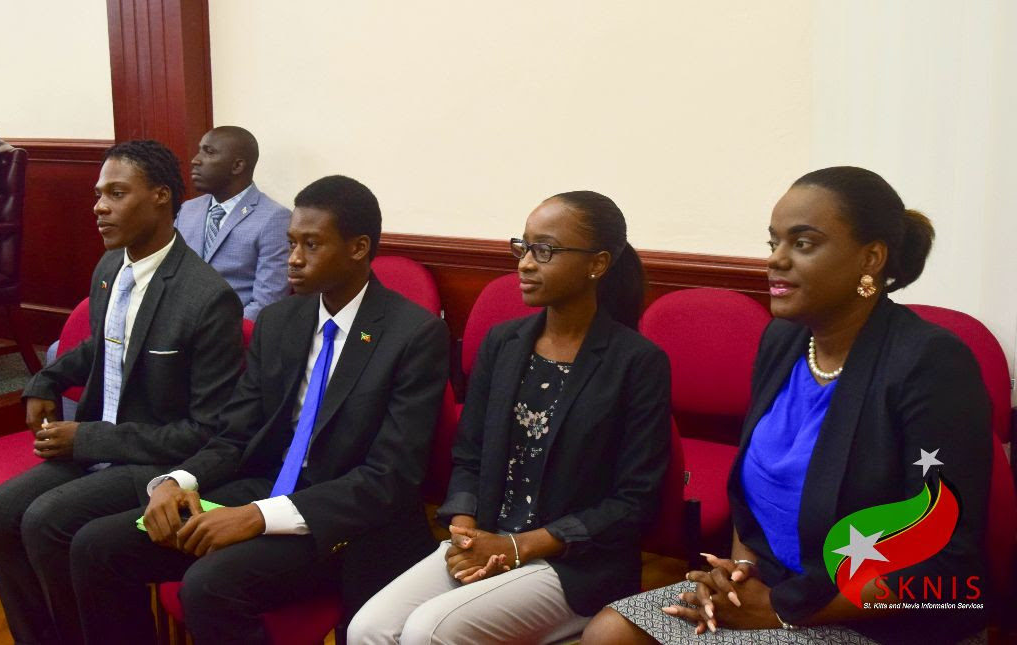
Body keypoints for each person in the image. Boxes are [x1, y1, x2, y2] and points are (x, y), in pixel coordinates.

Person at [583, 167, 992, 645]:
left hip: (878, 615)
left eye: (803, 243)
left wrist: (783, 611)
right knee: (611, 632)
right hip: (776, 586)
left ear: (871, 258)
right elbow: (754, 492)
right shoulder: (784, 339)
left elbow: (945, 559)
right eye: (774, 242)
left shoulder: (929, 363)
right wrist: (738, 574)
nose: (776, 259)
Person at [71, 175, 451, 645]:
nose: (294, 258)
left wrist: (256, 517)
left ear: (358, 248)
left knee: (210, 586)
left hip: (346, 519)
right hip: (267, 486)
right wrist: (177, 481)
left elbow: (389, 478)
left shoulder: (413, 335)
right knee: (96, 546)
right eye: (291, 243)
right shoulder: (280, 320)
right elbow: (236, 432)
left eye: (311, 244)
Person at [347, 191, 672, 644]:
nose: (525, 264)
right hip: (489, 539)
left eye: (545, 251)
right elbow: (469, 454)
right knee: (367, 628)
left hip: (574, 564)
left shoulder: (637, 362)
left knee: (427, 630)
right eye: (524, 247)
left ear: (597, 264)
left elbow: (633, 502)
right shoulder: (503, 343)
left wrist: (518, 546)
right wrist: (465, 533)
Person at [0, 140, 244, 645]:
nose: (99, 207)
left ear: (160, 196)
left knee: (46, 520)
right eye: (98, 194)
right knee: (0, 511)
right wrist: (45, 379)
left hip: (156, 461)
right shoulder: (111, 267)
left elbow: (206, 431)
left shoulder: (207, 298)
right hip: (99, 447)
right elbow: (103, 345)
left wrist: (87, 439)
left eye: (116, 193)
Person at [176, 125, 291, 320]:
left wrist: (216, 331)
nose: (195, 160)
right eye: (199, 150)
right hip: (180, 325)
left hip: (234, 331)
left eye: (209, 152)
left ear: (237, 166)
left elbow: (267, 302)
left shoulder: (274, 218)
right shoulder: (187, 210)